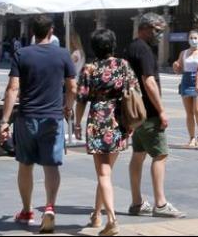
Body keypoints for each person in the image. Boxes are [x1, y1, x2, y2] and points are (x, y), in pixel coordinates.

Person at [0, 14, 77, 233]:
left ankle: (26, 210)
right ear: (51, 31)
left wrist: (5, 121)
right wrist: (67, 108)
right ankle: (50, 206)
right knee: (51, 165)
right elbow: (72, 88)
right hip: (53, 117)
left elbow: (13, 89)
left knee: (26, 164)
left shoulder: (21, 54)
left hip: (27, 117)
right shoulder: (63, 54)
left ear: (32, 32)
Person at [74, 28, 136, 237]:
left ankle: (111, 219)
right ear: (113, 44)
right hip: (119, 120)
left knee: (103, 173)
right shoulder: (124, 65)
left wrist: (76, 122)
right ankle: (96, 215)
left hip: (99, 120)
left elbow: (81, 99)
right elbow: (135, 90)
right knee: (107, 172)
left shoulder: (89, 69)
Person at [125, 12, 184, 218]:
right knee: (160, 155)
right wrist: (161, 111)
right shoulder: (145, 51)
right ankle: (160, 203)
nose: (159, 35)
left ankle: (136, 202)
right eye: (157, 31)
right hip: (149, 112)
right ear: (145, 28)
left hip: (135, 113)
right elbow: (148, 81)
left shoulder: (132, 47)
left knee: (138, 155)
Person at [172, 31, 198, 148]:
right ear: (188, 40)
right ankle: (191, 138)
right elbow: (179, 70)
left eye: (195, 38)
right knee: (189, 113)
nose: (193, 40)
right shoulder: (184, 53)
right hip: (186, 81)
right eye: (191, 38)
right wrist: (175, 66)